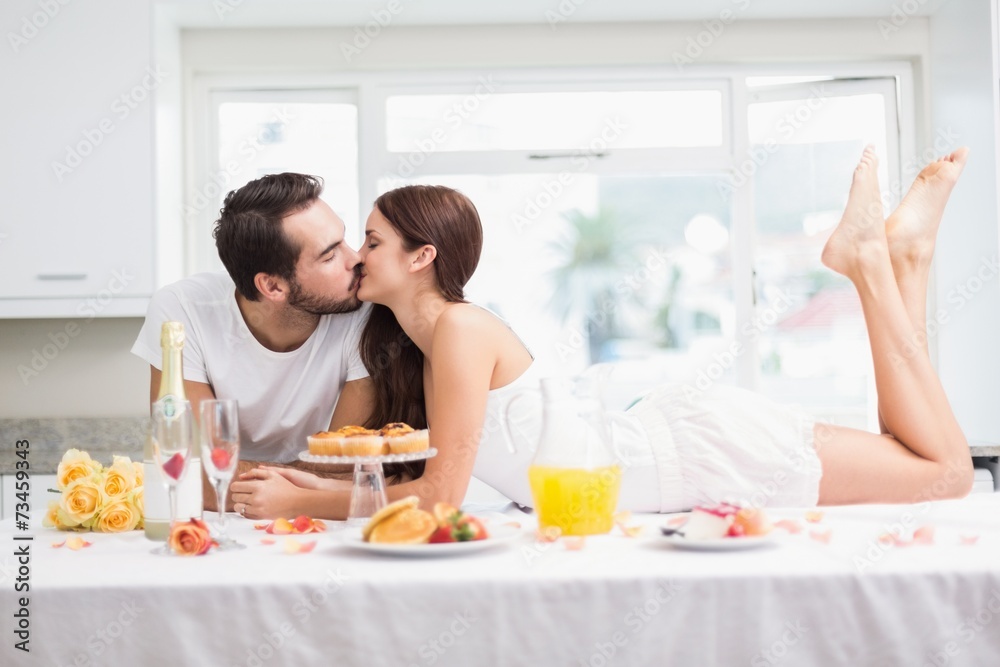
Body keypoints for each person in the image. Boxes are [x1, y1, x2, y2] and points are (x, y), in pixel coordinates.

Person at [229, 147, 974, 520]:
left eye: (370, 239)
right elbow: (392, 470)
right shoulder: (421, 340)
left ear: (423, 258)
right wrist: (300, 478)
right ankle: (904, 260)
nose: (357, 256)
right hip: (670, 453)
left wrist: (302, 501)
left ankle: (874, 265)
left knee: (945, 476)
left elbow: (442, 498)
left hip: (694, 456)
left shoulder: (457, 330)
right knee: (918, 461)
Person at [131, 173, 377, 510]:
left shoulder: (365, 311)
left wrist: (287, 492)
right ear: (273, 287)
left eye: (345, 240)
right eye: (330, 256)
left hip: (319, 524)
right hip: (219, 526)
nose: (357, 259)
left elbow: (345, 468)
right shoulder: (181, 310)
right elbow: (187, 472)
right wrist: (307, 483)